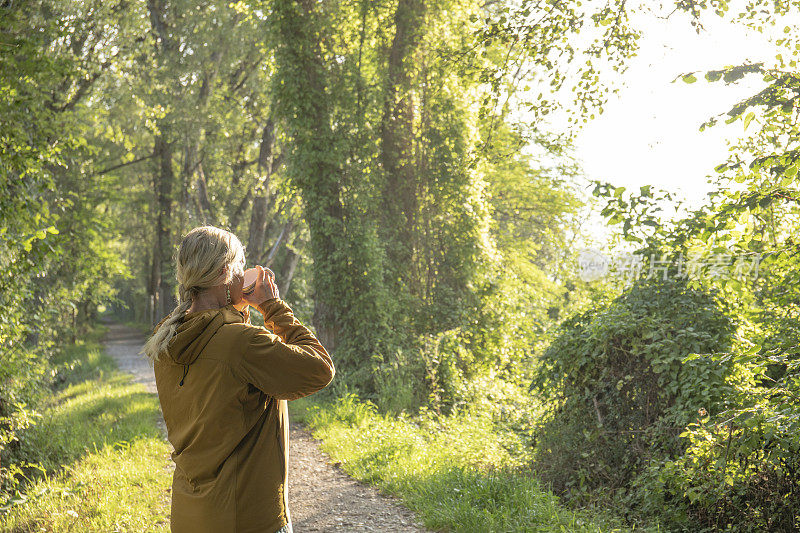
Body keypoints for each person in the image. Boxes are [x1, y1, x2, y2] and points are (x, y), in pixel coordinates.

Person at [142, 225, 335, 533]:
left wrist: (237, 309)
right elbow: (320, 368)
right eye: (240, 268)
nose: (244, 275)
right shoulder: (240, 343)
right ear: (224, 272)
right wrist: (271, 307)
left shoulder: (167, 336)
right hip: (247, 518)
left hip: (190, 516)